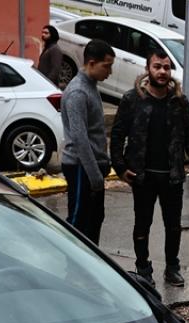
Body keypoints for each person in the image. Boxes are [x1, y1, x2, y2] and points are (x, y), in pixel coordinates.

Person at [110, 48, 189, 288]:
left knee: (173, 225)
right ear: (147, 69)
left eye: (166, 67)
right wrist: (120, 167)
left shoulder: (179, 102)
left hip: (172, 177)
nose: (162, 72)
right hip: (142, 177)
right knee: (142, 224)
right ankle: (143, 268)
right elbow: (117, 135)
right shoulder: (132, 99)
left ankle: (172, 267)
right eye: (157, 67)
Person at [61, 39, 114, 244]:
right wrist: (95, 176)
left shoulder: (91, 86)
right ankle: (72, 271)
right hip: (81, 167)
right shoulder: (78, 92)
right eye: (106, 66)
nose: (109, 72)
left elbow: (95, 132)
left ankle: (92, 268)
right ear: (91, 63)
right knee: (78, 224)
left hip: (91, 168)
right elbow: (80, 138)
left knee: (94, 220)